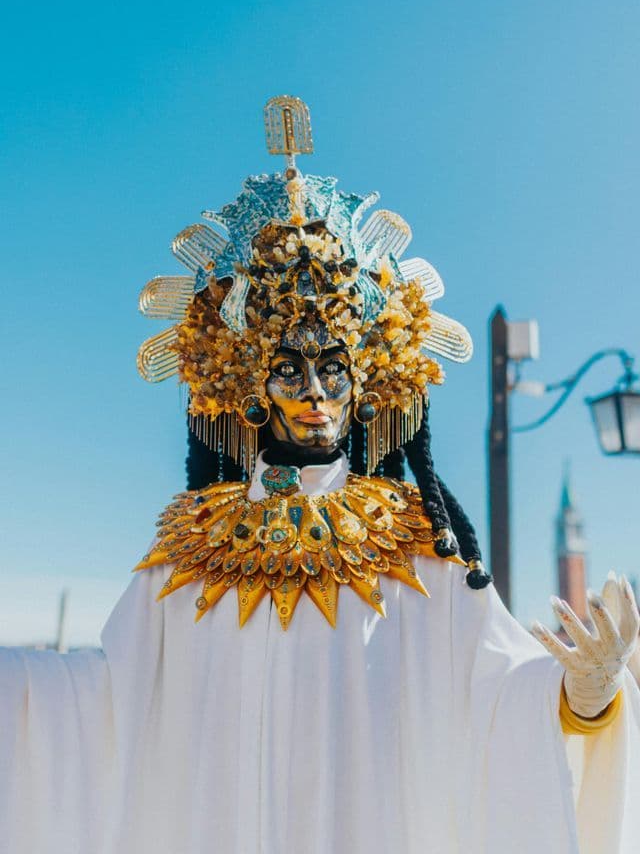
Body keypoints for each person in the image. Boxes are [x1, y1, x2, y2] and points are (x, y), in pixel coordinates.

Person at [1, 96, 639, 854]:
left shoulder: (417, 556)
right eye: (288, 370)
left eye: (335, 370)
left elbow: (497, 700)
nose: (315, 394)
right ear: (246, 385)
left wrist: (586, 697)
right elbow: (105, 709)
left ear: (367, 382)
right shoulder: (185, 561)